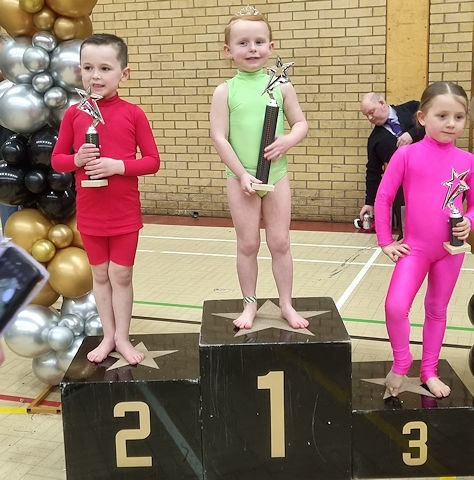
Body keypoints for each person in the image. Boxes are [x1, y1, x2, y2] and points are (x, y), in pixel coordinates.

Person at [52, 33, 160, 365]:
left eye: (105, 68)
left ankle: (123, 338)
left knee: (121, 275)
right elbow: (58, 159)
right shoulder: (74, 115)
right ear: (79, 70)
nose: (95, 76)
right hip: (91, 211)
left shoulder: (133, 113)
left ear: (123, 74)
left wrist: (119, 166)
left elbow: (152, 161)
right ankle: (108, 335)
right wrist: (77, 160)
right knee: (100, 275)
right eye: (88, 67)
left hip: (124, 211)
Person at [210, 6, 309, 330]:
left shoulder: (282, 86)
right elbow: (219, 137)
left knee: (280, 242)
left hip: (276, 177)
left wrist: (287, 141)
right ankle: (249, 304)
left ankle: (286, 304)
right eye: (243, 43)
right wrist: (241, 174)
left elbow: (301, 123)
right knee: (248, 244)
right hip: (242, 179)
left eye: (259, 42)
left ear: (271, 46)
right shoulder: (225, 90)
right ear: (228, 51)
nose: (252, 49)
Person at [374, 81, 474, 398]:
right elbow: (383, 197)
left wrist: (468, 221)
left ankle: (429, 370)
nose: (450, 123)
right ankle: (402, 360)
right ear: (421, 117)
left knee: (437, 309)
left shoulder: (468, 161)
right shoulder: (406, 155)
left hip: (450, 251)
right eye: (442, 115)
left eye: (459, 117)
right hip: (414, 248)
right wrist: (386, 240)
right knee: (395, 305)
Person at [359, 93, 425, 235]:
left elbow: (434, 122)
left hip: (430, 177)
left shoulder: (412, 108)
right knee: (406, 231)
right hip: (403, 189)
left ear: (382, 103)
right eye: (366, 116)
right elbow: (373, 172)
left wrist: (412, 134)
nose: (370, 118)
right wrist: (369, 202)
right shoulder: (374, 140)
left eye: (371, 112)